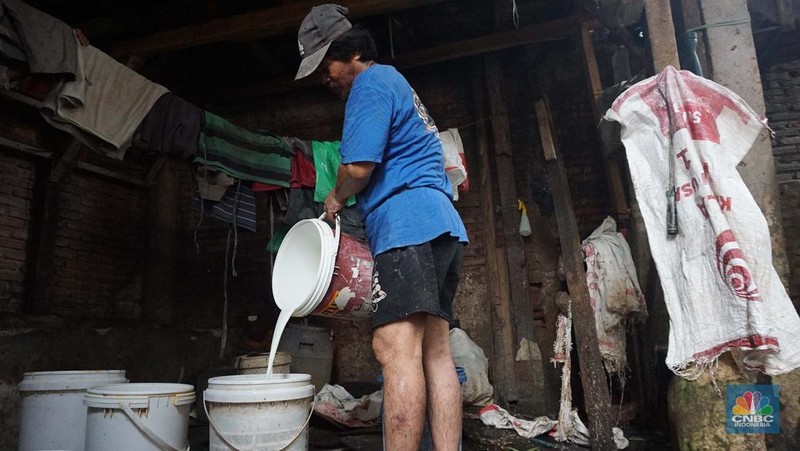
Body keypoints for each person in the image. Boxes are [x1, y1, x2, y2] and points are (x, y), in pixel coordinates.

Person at [295, 4, 469, 450]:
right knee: (436, 353)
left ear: (350, 52)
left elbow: (356, 167)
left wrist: (333, 199)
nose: (324, 78)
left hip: (406, 224)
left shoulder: (369, 85)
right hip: (442, 223)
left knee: (394, 351)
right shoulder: (396, 82)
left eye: (326, 65)